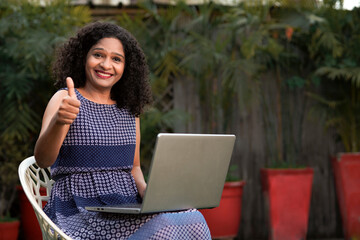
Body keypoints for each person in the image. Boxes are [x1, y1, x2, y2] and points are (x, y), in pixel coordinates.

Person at [34, 21, 211, 239]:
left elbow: (134, 167)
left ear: (127, 67)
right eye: (98, 55)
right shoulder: (65, 98)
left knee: (193, 218)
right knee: (163, 228)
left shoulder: (129, 109)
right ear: (83, 57)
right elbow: (43, 159)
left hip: (125, 204)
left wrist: (149, 194)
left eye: (116, 59)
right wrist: (60, 121)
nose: (106, 65)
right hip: (80, 209)